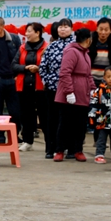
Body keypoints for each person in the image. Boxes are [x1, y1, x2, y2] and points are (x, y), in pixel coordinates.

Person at [53, 29, 96, 162]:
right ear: (88, 39)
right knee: (65, 123)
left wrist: (93, 89)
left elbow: (88, 75)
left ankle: (77, 150)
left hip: (83, 94)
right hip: (69, 94)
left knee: (80, 124)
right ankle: (59, 150)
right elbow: (65, 73)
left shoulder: (86, 54)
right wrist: (69, 91)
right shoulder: (71, 51)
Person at [39, 18, 76, 158]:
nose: (63, 29)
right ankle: (51, 148)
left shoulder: (76, 46)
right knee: (52, 119)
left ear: (71, 29)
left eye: (66, 27)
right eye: (61, 27)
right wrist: (49, 81)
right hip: (53, 88)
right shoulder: (51, 46)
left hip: (71, 89)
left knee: (69, 119)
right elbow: (43, 67)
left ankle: (70, 148)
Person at [12, 22, 50, 152]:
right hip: (24, 87)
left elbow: (51, 67)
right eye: (26, 31)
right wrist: (26, 68)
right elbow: (14, 66)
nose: (26, 34)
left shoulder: (47, 47)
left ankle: (50, 143)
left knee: (44, 116)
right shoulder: (22, 48)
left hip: (41, 87)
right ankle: (28, 141)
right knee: (26, 115)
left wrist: (39, 69)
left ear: (37, 33)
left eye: (29, 31)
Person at [88, 17, 111, 84]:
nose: (103, 32)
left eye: (106, 30)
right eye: (101, 29)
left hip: (108, 81)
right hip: (91, 79)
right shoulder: (89, 41)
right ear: (97, 29)